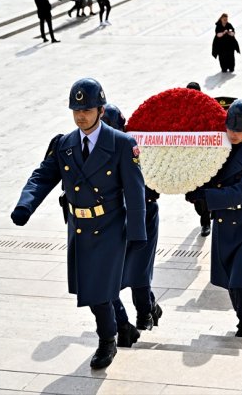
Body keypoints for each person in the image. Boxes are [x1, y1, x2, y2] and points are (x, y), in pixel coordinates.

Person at [11, 78, 147, 369]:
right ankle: (123, 327)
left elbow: (135, 193)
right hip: (79, 227)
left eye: (86, 109)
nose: (80, 115)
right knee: (95, 286)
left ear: (100, 109)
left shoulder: (122, 144)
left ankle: (107, 340)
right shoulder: (65, 144)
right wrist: (26, 204)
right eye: (76, 109)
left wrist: (137, 236)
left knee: (98, 290)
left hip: (110, 227)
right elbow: (43, 176)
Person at [184, 99, 242, 338]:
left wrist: (207, 197)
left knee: (241, 278)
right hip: (223, 223)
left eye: (238, 130)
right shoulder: (217, 149)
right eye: (229, 128)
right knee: (231, 281)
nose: (232, 134)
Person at [100, 104, 163, 338]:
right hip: (112, 218)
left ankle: (145, 312)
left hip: (143, 213)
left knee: (139, 267)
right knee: (109, 274)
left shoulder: (135, 149)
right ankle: (144, 310)